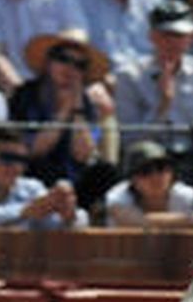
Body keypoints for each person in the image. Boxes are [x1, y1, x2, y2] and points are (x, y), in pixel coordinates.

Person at [10, 29, 122, 214]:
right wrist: (63, 112)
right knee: (45, 167)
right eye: (63, 58)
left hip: (73, 183)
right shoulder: (26, 95)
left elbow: (83, 154)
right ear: (48, 62)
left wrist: (76, 109)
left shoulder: (86, 102)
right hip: (31, 177)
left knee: (105, 172)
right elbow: (35, 149)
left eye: (79, 64)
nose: (69, 68)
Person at [112, 0, 193, 172]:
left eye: (179, 36)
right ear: (152, 36)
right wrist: (163, 105)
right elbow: (130, 143)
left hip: (192, 168)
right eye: (166, 35)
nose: (173, 43)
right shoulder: (129, 77)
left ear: (191, 38)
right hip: (147, 171)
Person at [101, 138, 193, 225]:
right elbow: (140, 222)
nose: (156, 176)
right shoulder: (117, 196)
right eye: (145, 171)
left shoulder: (184, 193)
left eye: (162, 168)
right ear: (132, 178)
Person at [0, 124, 86, 228]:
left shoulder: (31, 189)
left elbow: (59, 223)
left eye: (21, 160)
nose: (16, 168)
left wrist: (68, 214)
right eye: (8, 159)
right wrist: (24, 211)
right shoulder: (31, 199)